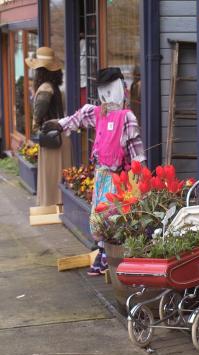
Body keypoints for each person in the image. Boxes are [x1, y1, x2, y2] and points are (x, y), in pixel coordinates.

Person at [42, 67, 146, 275]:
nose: (106, 96)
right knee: (97, 216)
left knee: (113, 215)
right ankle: (102, 250)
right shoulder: (97, 113)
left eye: (110, 90)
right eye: (102, 91)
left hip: (120, 176)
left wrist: (139, 175)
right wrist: (60, 125)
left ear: (120, 89)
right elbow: (77, 118)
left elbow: (136, 149)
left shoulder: (127, 118)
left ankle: (110, 253)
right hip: (102, 174)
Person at [25, 47, 72, 207]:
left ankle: (51, 204)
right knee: (60, 171)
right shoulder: (55, 87)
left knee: (51, 173)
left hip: (51, 136)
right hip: (61, 134)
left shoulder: (45, 88)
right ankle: (60, 203)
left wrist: (35, 129)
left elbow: (37, 117)